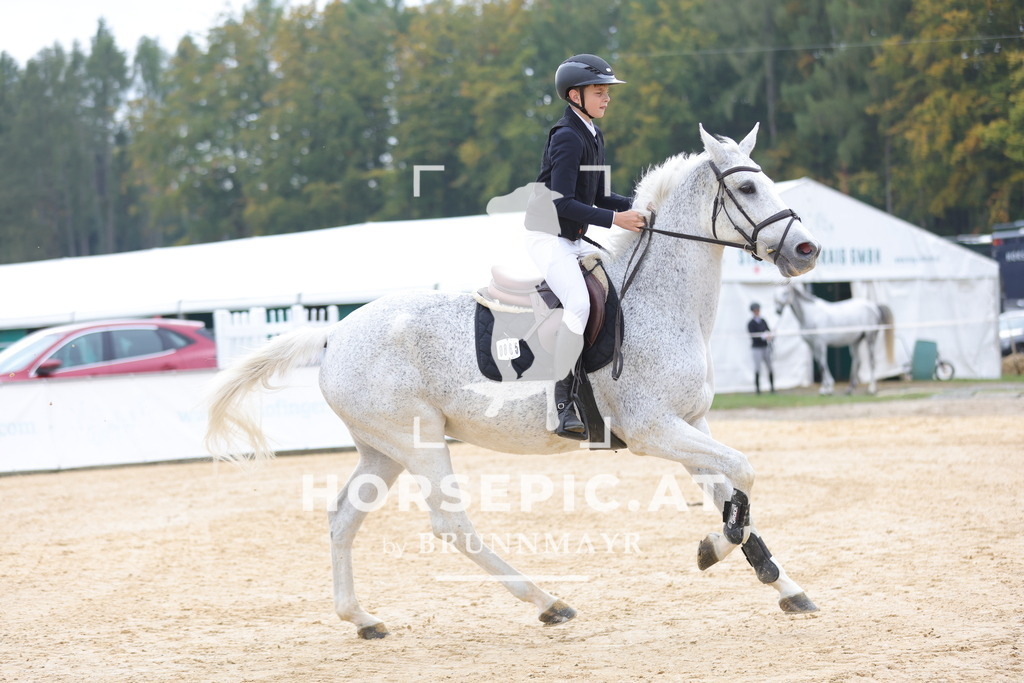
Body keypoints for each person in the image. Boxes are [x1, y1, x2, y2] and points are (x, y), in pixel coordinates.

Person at [526, 54, 646, 439]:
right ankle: (561, 404)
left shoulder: (593, 133)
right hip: (548, 236)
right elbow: (561, 202)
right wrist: (615, 220)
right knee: (578, 303)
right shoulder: (566, 136)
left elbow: (597, 194)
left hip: (573, 237)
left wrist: (639, 206)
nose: (607, 98)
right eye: (599, 92)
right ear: (575, 95)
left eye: (607, 92)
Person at [748, 302, 775, 394]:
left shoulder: (763, 321)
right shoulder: (750, 323)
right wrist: (764, 336)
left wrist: (770, 335)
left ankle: (772, 388)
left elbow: (768, 330)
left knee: (770, 366)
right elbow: (753, 335)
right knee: (757, 368)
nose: (757, 312)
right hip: (757, 348)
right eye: (755, 310)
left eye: (758, 310)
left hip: (765, 347)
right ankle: (758, 390)